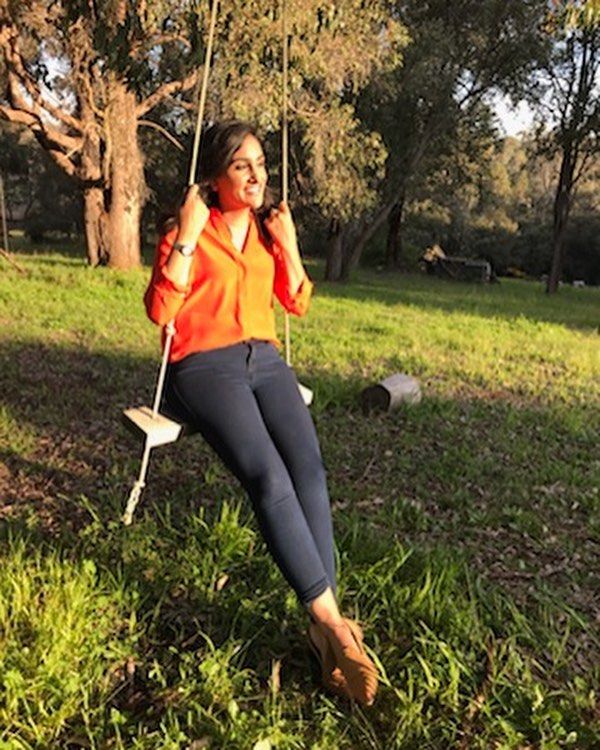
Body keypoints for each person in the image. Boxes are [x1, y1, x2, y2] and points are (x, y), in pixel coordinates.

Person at [144, 120, 378, 705]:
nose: (256, 175)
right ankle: (335, 626)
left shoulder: (267, 231)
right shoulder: (186, 227)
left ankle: (325, 632)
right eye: (241, 165)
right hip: (204, 365)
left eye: (261, 164)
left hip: (265, 360)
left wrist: (290, 245)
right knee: (268, 478)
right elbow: (161, 309)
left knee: (310, 472)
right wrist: (188, 235)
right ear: (215, 176)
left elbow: (296, 301)